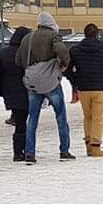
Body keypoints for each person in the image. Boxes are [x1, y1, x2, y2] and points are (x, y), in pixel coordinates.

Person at [18, 12, 74, 163]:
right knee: (61, 117)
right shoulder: (53, 36)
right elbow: (63, 52)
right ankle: (64, 151)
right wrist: (63, 65)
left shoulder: (27, 38)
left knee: (32, 119)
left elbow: (18, 60)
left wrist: (32, 68)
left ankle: (30, 153)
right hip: (51, 82)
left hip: (33, 83)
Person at [66, 23, 103, 157]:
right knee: (98, 118)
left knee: (88, 117)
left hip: (83, 88)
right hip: (100, 87)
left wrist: (75, 80)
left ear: (84, 34)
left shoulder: (75, 50)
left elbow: (67, 69)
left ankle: (88, 146)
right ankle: (95, 146)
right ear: (97, 35)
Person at [0, 26, 32, 162]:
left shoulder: (4, 53)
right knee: (25, 122)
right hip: (26, 90)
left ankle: (19, 152)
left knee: (20, 122)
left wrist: (0, 91)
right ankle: (24, 151)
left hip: (10, 93)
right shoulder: (27, 53)